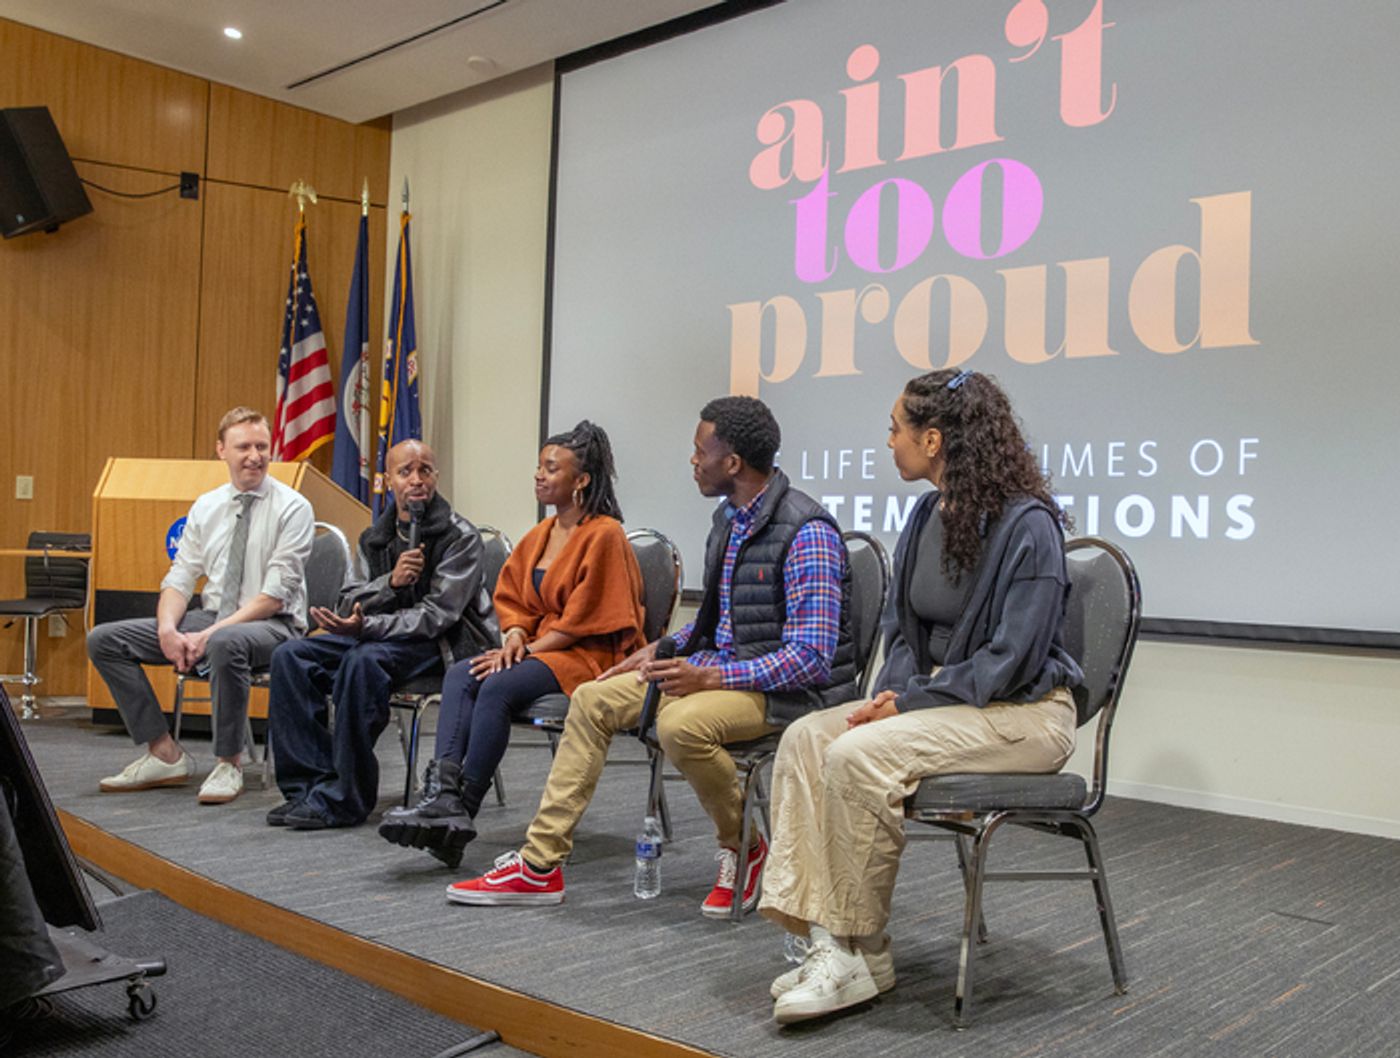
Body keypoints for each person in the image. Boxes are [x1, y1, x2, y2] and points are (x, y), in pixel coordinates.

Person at [758, 369, 1084, 1025]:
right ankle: (846, 949)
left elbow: (1011, 661)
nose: (888, 442)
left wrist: (908, 704)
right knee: (806, 739)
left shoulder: (1030, 526)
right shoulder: (925, 515)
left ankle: (851, 941)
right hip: (944, 702)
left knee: (857, 755)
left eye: (895, 429)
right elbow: (902, 634)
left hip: (1024, 715)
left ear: (933, 439)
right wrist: (895, 694)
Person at [446, 396, 858, 914]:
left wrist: (710, 679)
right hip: (722, 671)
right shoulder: (729, 521)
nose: (693, 460)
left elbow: (812, 658)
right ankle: (539, 865)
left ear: (732, 463)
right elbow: (716, 626)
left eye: (700, 451)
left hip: (789, 693)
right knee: (592, 698)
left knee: (681, 726)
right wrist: (658, 649)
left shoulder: (806, 531)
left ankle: (744, 846)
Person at [379, 421, 645, 867]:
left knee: (498, 684)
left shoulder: (605, 534)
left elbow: (590, 619)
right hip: (540, 647)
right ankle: (442, 796)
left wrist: (526, 650)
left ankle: (462, 810)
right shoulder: (540, 533)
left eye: (552, 468)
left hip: (588, 655)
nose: (539, 475)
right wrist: (517, 635)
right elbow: (514, 599)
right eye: (539, 466)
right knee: (462, 673)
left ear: (581, 480)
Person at [267, 439, 498, 830]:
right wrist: (389, 584)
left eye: (425, 470)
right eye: (405, 472)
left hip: (445, 645)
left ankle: (346, 798)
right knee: (290, 656)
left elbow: (437, 616)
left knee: (363, 662)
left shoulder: (460, 537)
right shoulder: (375, 537)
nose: (416, 479)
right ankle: (308, 789)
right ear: (388, 480)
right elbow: (348, 600)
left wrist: (368, 626)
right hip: (383, 634)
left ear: (436, 477)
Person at [88, 407, 314, 805]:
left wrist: (209, 634)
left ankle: (229, 763)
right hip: (211, 618)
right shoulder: (207, 506)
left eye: (262, 447)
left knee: (226, 642)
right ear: (221, 450)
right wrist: (167, 630)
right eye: (243, 447)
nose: (255, 456)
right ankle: (164, 754)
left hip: (275, 624)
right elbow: (180, 579)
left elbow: (274, 596)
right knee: (103, 640)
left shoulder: (293, 507)